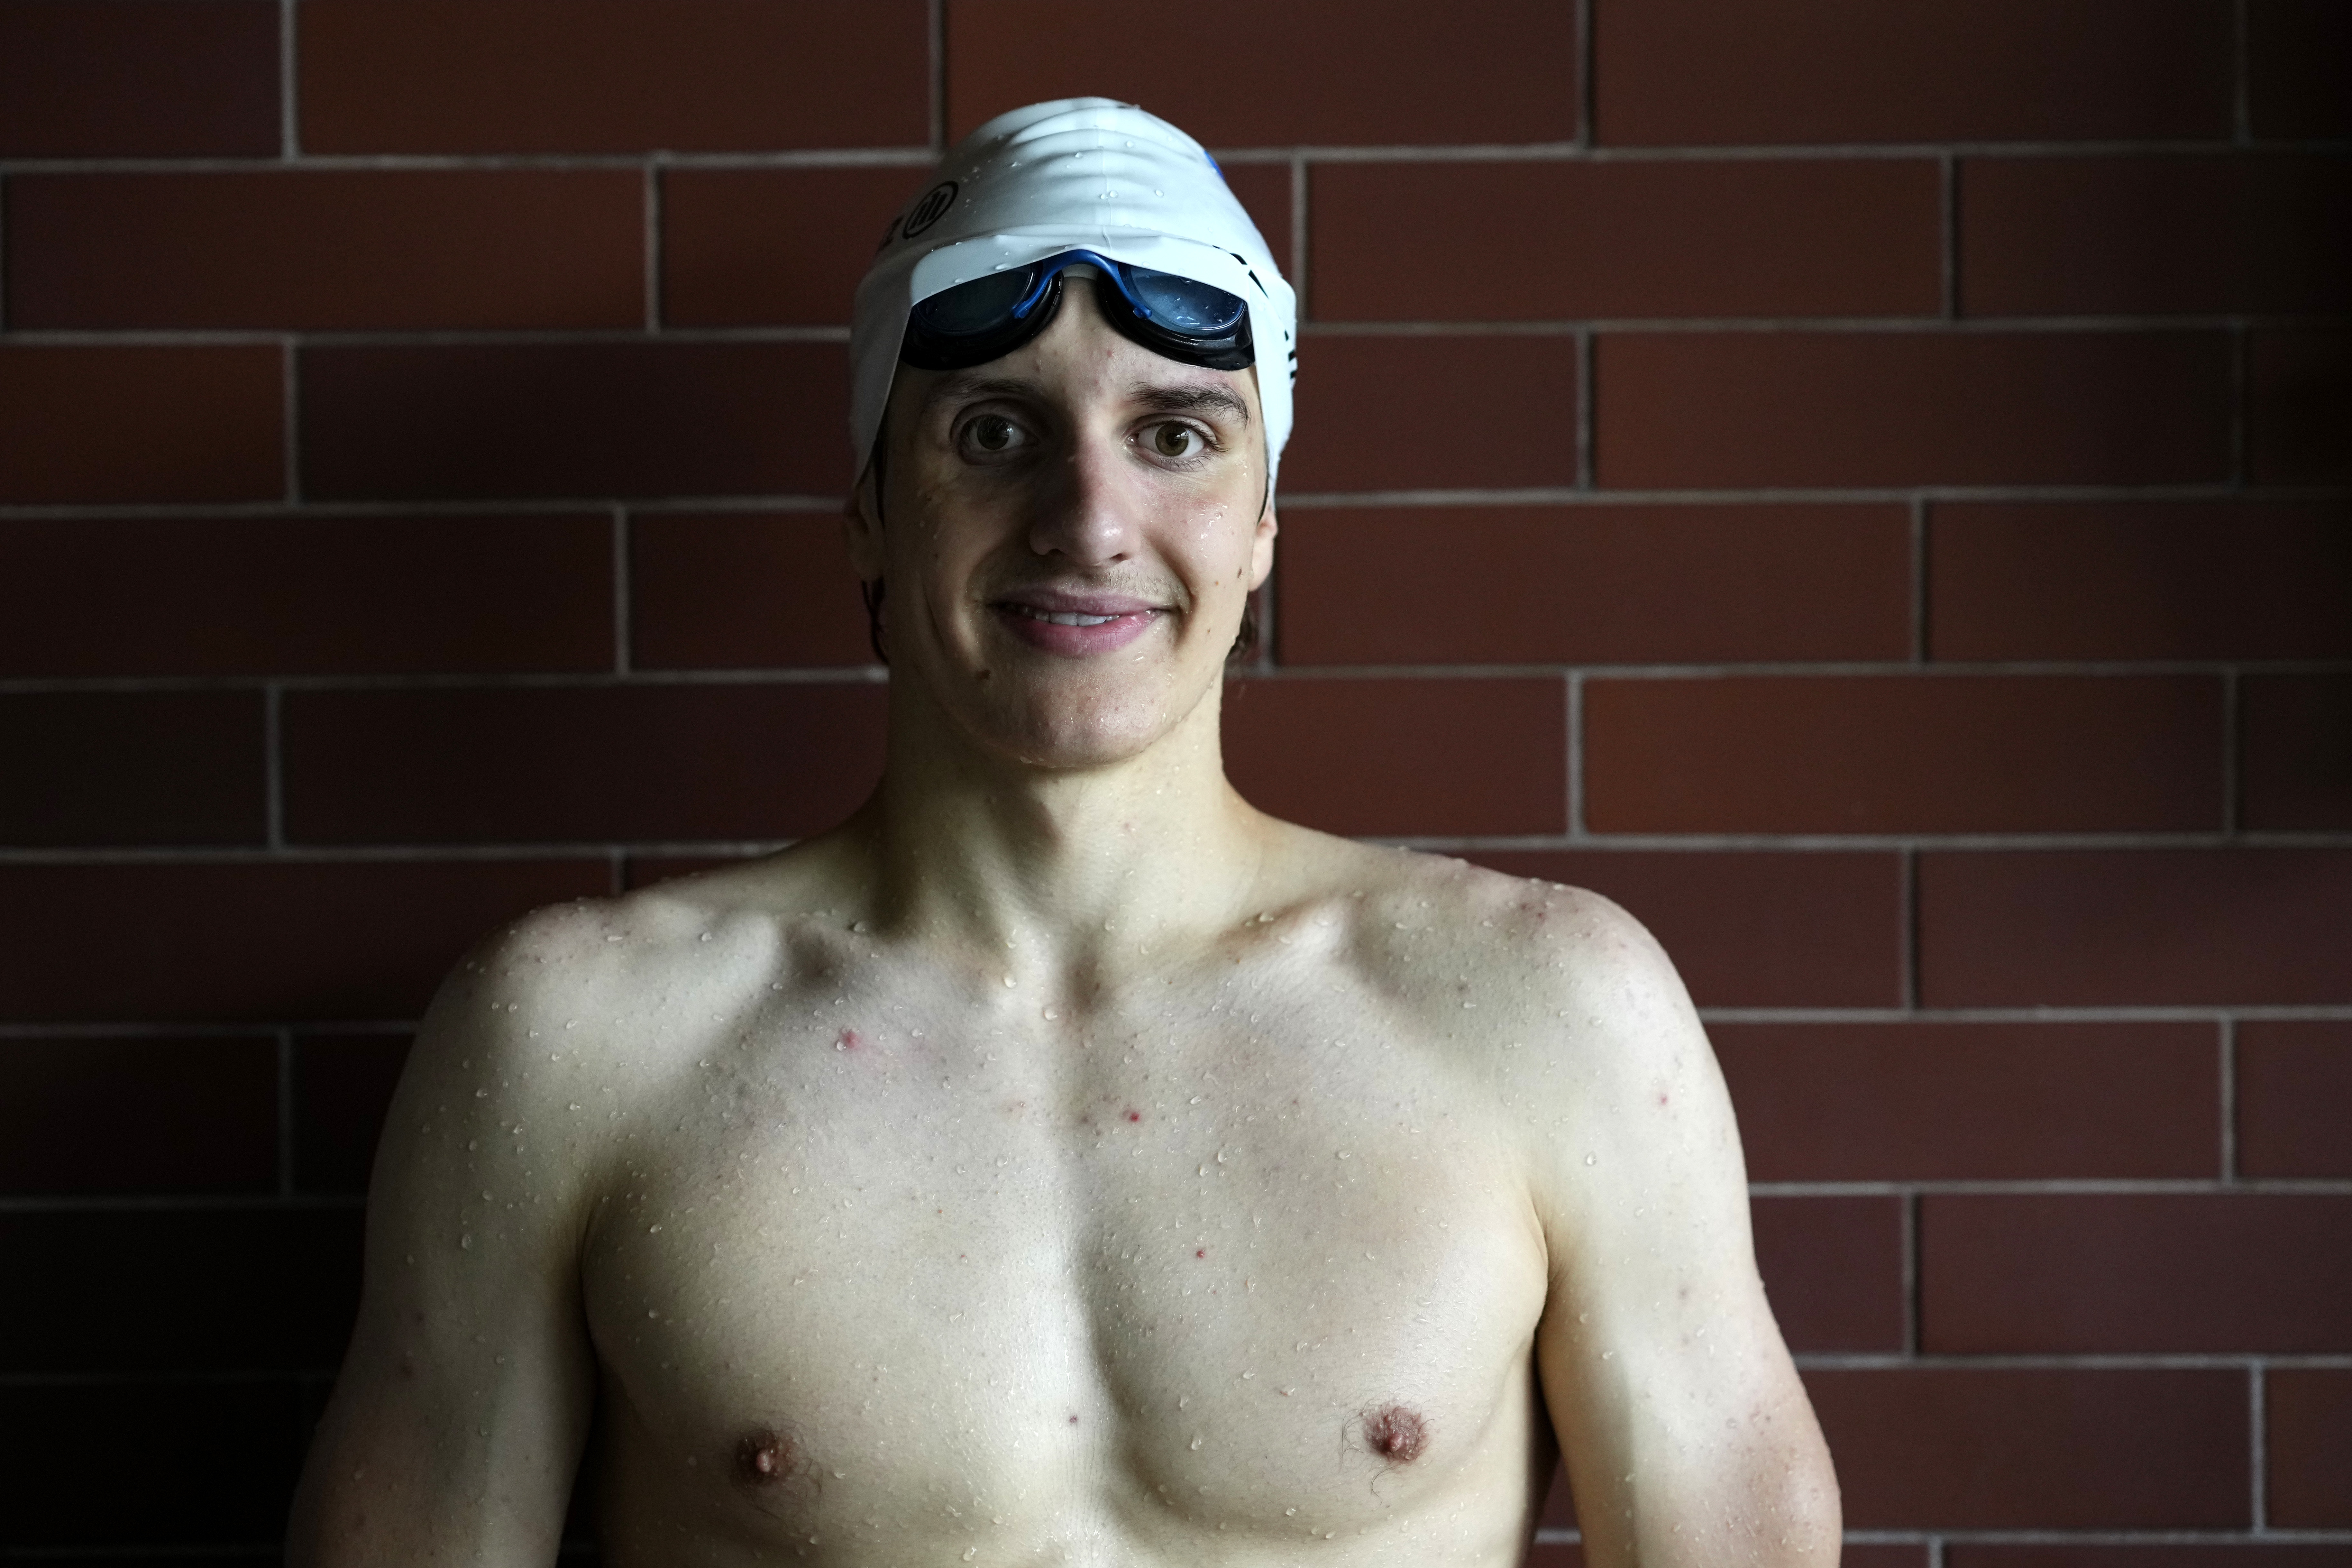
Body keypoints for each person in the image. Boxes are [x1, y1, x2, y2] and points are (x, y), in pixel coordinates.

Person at [288, 98, 1839, 1566]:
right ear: (869, 510)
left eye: (1175, 436)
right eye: (991, 432)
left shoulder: (1544, 1013)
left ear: (1262, 524)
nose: (1087, 519)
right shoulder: (583, 1037)